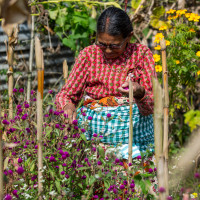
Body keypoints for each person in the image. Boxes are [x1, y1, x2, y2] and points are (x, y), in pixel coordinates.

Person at [55, 6, 156, 159]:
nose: (107, 50)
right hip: (96, 146)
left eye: (114, 45)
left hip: (135, 143)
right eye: (102, 44)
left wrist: (139, 91)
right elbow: (65, 95)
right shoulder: (89, 55)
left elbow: (152, 105)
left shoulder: (141, 55)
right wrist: (68, 106)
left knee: (135, 180)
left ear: (128, 37)